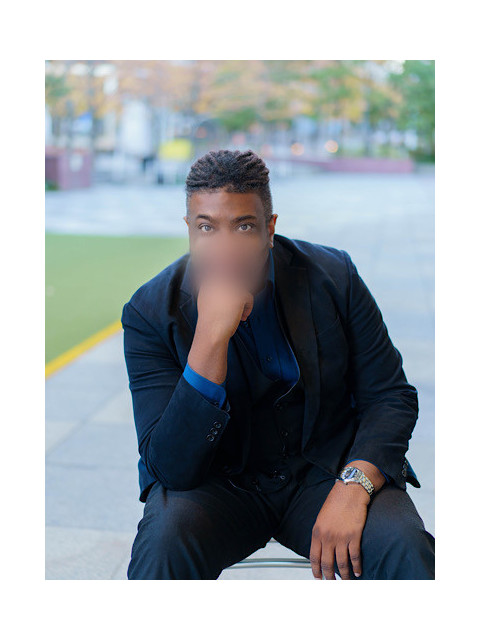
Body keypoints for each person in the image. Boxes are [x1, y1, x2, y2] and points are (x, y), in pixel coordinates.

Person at [121, 149, 435, 580]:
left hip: (327, 473)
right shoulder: (149, 311)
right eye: (207, 227)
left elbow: (389, 395)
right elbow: (171, 467)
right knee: (163, 544)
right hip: (220, 486)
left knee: (403, 543)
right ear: (190, 229)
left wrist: (355, 484)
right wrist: (209, 342)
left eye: (244, 226)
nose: (225, 248)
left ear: (269, 229)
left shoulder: (334, 275)